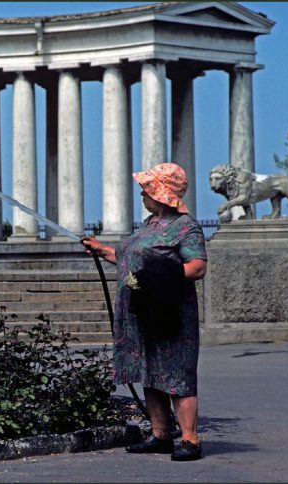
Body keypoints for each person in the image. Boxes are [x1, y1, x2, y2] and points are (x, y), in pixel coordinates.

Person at [81, 163, 208, 462]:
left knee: (178, 373)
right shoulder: (150, 224)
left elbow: (197, 266)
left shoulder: (186, 227)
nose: (142, 193)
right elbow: (130, 259)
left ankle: (190, 439)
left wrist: (159, 277)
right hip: (142, 310)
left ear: (162, 194)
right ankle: (160, 434)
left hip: (169, 310)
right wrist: (102, 249)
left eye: (148, 189)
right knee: (150, 370)